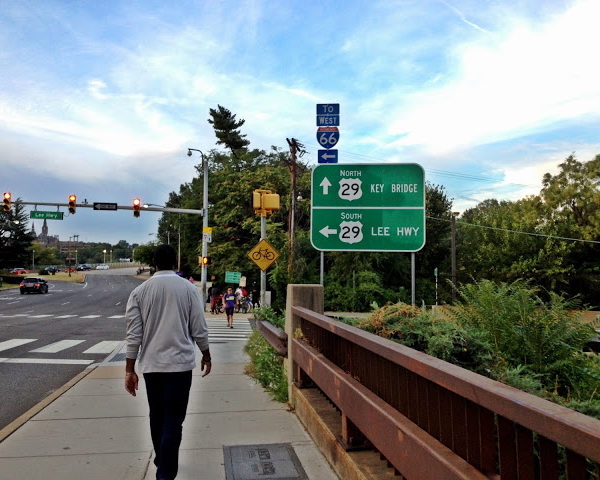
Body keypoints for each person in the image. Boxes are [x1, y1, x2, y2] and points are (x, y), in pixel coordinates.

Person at [125, 244, 211, 480]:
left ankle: (163, 459)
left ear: (154, 263)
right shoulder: (189, 290)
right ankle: (166, 471)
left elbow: (134, 335)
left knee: (157, 415)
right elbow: (199, 328)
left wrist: (129, 370)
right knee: (174, 418)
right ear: (176, 263)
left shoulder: (140, 292)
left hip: (152, 367)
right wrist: (206, 354)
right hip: (180, 367)